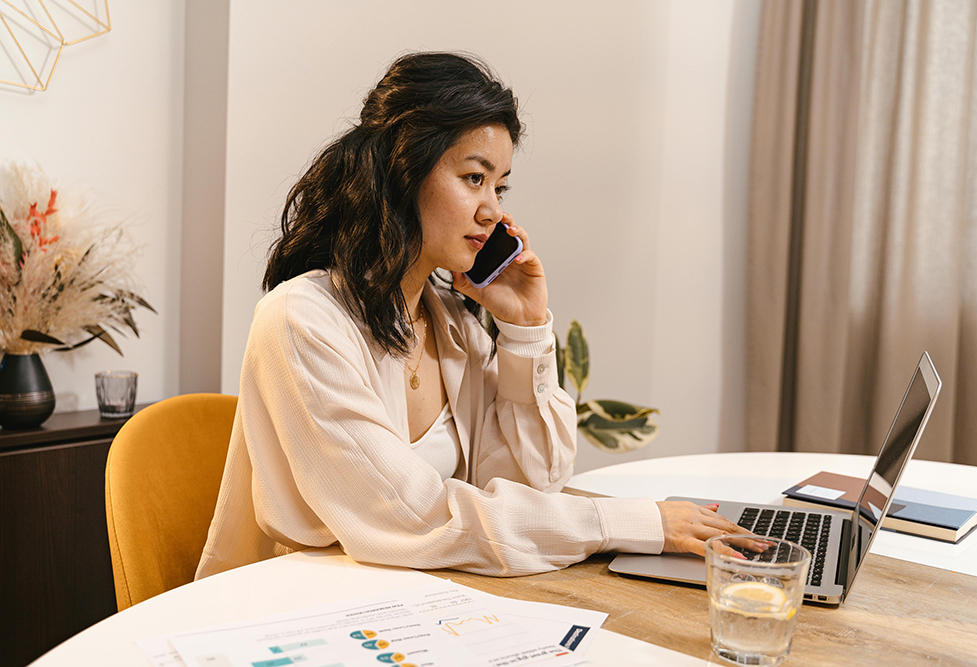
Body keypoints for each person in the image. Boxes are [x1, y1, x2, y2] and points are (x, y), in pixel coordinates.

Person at [196, 52, 756, 580]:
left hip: (421, 601)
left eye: (499, 184)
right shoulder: (301, 322)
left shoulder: (452, 324)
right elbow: (413, 517)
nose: (493, 210)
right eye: (473, 178)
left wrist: (525, 330)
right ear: (402, 173)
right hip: (301, 611)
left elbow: (533, 483)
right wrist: (634, 523)